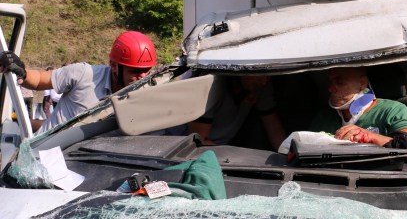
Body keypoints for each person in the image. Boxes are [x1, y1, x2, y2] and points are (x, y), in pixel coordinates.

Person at [0, 31, 157, 134]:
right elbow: (40, 80)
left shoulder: (145, 95)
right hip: (46, 154)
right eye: (135, 71)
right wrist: (23, 72)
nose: (143, 76)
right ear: (115, 66)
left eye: (147, 70)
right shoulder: (84, 74)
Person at [309, 67, 407, 150]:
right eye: (329, 82)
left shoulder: (393, 110)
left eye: (339, 82)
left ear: (362, 83)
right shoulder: (323, 117)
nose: (331, 89)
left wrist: (370, 137)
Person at [187, 75, 286, 151]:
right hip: (192, 149)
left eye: (268, 76)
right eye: (261, 75)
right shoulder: (212, 85)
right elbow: (199, 142)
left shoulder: (261, 86)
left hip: (223, 149)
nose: (264, 82)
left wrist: (287, 152)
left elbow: (274, 128)